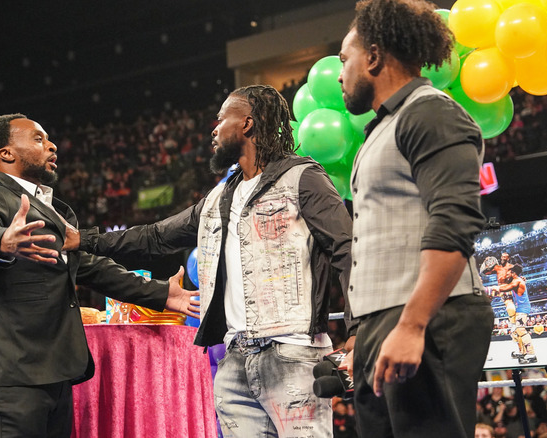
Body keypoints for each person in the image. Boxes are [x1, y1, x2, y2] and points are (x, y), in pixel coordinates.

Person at [70, 85, 353, 437]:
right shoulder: (220, 196)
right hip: (233, 359)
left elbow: (346, 248)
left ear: (247, 124)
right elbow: (156, 236)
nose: (214, 129)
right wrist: (84, 239)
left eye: (221, 119)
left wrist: (357, 330)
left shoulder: (304, 178)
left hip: (292, 351)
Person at [0, 113, 199, 437]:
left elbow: (91, 267)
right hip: (5, 374)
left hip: (53, 373)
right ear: (6, 153)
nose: (51, 145)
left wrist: (162, 293)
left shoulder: (56, 211)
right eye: (38, 139)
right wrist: (1, 241)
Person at [337, 0, 494, 436]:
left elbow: (455, 221)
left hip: (430, 316)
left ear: (372, 57)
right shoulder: (387, 125)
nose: (338, 73)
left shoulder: (431, 111)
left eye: (344, 59)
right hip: (387, 319)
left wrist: (412, 323)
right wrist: (366, 338)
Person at [491, 264, 537, 364]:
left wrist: (494, 288)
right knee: (515, 331)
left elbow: (506, 288)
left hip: (522, 309)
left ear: (513, 273)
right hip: (520, 308)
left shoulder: (517, 281)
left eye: (510, 272)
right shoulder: (518, 280)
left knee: (521, 330)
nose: (508, 273)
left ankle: (532, 354)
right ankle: (523, 352)